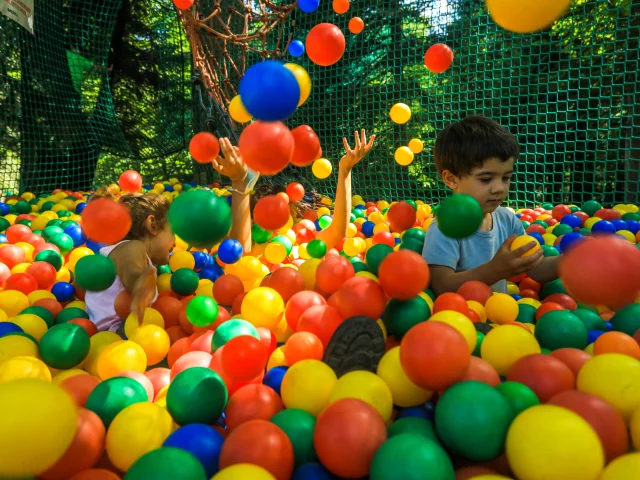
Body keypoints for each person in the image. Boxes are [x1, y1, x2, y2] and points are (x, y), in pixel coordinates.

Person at [85, 138, 252, 334]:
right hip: (124, 332)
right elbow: (130, 263)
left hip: (133, 334)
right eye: (172, 230)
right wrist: (140, 283)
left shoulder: (142, 259)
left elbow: (237, 253)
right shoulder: (129, 248)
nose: (176, 239)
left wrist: (240, 183)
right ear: (152, 225)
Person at [422, 116, 560, 295]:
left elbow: (537, 267)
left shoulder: (507, 219)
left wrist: (571, 261)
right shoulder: (445, 228)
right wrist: (493, 271)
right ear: (451, 179)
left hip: (500, 319)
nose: (499, 188)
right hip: (461, 319)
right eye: (486, 179)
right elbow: (441, 284)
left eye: (506, 178)